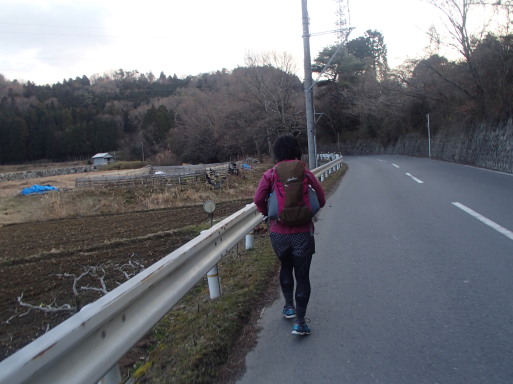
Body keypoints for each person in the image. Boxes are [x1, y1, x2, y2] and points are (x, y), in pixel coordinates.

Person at [253, 134, 326, 336]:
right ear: (297, 151)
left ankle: (288, 307)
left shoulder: (270, 174)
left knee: (285, 266)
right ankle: (300, 323)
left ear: (276, 153)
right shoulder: (304, 172)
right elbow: (320, 198)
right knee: (302, 275)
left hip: (278, 233)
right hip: (302, 232)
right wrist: (307, 213)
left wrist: (268, 213)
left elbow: (258, 198)